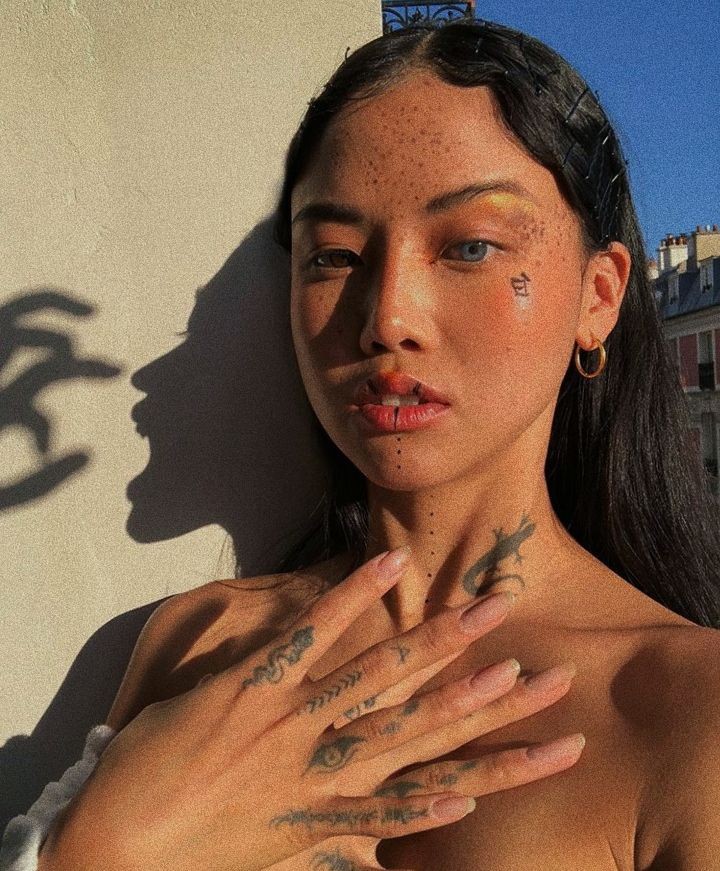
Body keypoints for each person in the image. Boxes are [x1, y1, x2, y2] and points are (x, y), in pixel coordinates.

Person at [4, 16, 720, 871]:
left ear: (598, 297)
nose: (386, 318)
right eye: (334, 257)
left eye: (470, 246)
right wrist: (93, 849)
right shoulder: (198, 644)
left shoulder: (687, 711)